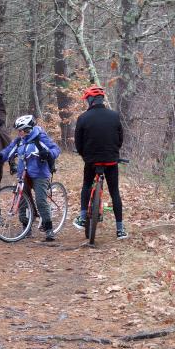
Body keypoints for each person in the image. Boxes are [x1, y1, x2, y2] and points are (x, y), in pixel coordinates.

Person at [73, 84, 128, 239]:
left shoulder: (83, 118)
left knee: (86, 186)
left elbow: (78, 143)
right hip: (111, 161)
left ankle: (83, 217)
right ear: (101, 99)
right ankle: (120, 230)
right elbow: (120, 139)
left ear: (90, 100)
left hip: (91, 161)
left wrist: (85, 155)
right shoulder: (114, 116)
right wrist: (113, 153)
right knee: (114, 192)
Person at [0, 115, 60, 242]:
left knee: (41, 200)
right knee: (22, 200)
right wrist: (1, 155)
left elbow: (55, 149)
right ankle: (26, 226)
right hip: (23, 173)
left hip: (40, 173)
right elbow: (10, 150)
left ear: (28, 129)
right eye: (18, 131)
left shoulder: (40, 137)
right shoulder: (19, 140)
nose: (19, 133)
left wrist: (48, 154)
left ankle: (48, 229)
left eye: (21, 130)